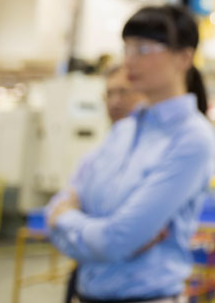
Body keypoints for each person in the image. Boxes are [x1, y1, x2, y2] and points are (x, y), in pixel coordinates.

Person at [47, 5, 215, 303]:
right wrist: (82, 225)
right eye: (126, 49)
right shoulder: (124, 131)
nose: (129, 61)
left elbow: (116, 240)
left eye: (144, 48)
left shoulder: (192, 139)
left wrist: (68, 220)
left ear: (184, 58)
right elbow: (61, 206)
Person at [63, 64, 148, 303]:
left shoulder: (154, 157)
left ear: (143, 94)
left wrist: (79, 226)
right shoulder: (94, 158)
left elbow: (130, 235)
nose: (115, 101)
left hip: (136, 289)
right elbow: (59, 211)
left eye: (123, 92)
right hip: (88, 280)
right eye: (109, 94)